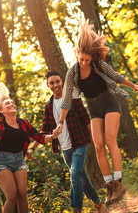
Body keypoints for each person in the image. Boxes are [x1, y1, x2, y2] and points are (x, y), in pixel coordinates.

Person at [55, 20, 138, 205]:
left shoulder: (98, 65)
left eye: (87, 59)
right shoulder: (73, 73)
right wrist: (61, 122)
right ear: (77, 54)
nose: (84, 62)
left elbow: (117, 77)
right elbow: (67, 99)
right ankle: (109, 186)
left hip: (109, 103)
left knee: (111, 141)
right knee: (98, 146)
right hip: (93, 108)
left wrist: (134, 86)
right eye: (82, 59)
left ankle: (119, 184)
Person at [0, 82, 60, 213]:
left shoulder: (24, 123)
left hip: (19, 160)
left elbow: (39, 137)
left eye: (12, 103)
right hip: (2, 162)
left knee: (22, 196)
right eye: (7, 104)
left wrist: (53, 136)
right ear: (1, 111)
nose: (12, 104)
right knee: (11, 196)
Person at [27, 70, 107, 213]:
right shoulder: (49, 106)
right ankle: (99, 204)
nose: (55, 85)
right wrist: (32, 148)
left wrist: (97, 140)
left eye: (57, 81)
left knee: (75, 174)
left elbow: (86, 120)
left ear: (62, 82)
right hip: (65, 148)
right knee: (82, 178)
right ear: (48, 86)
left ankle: (76, 209)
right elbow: (44, 130)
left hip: (79, 143)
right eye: (52, 83)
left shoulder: (72, 98)